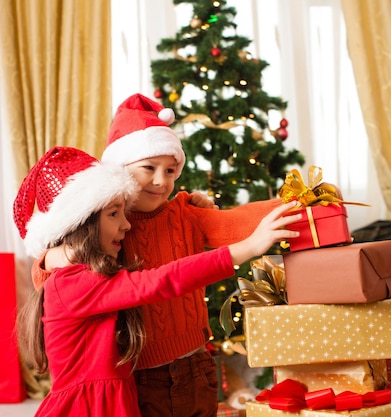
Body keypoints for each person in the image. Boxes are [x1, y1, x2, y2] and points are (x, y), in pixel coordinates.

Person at [14, 146, 300, 417]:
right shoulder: (74, 283)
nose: (127, 225)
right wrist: (248, 247)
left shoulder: (86, 273)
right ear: (81, 224)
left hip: (117, 398)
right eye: (114, 214)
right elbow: (164, 279)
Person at [99, 93, 284, 417]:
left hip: (196, 364)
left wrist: (300, 202)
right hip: (137, 375)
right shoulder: (102, 223)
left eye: (171, 170)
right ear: (118, 168)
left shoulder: (185, 213)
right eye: (149, 167)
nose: (161, 181)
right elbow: (59, 274)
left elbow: (233, 222)